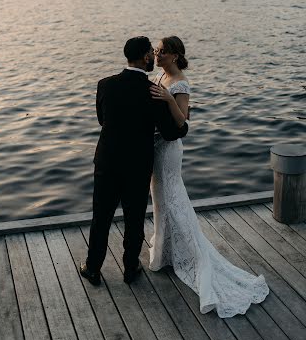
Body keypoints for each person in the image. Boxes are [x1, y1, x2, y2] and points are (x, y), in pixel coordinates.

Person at [149, 35, 269, 317]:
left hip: (168, 150)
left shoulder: (179, 83)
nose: (157, 55)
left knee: (173, 198)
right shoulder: (159, 75)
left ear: (175, 56)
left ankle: (193, 256)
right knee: (159, 201)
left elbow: (182, 120)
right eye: (156, 51)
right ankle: (165, 251)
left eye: (162, 52)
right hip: (155, 146)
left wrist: (168, 98)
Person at [80, 36, 188, 286]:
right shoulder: (153, 92)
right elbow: (172, 132)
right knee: (134, 218)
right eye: (151, 52)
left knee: (101, 217)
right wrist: (184, 123)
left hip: (107, 161)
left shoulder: (105, 85)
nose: (154, 55)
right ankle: (130, 269)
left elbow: (101, 119)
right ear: (144, 57)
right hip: (138, 166)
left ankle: (93, 268)